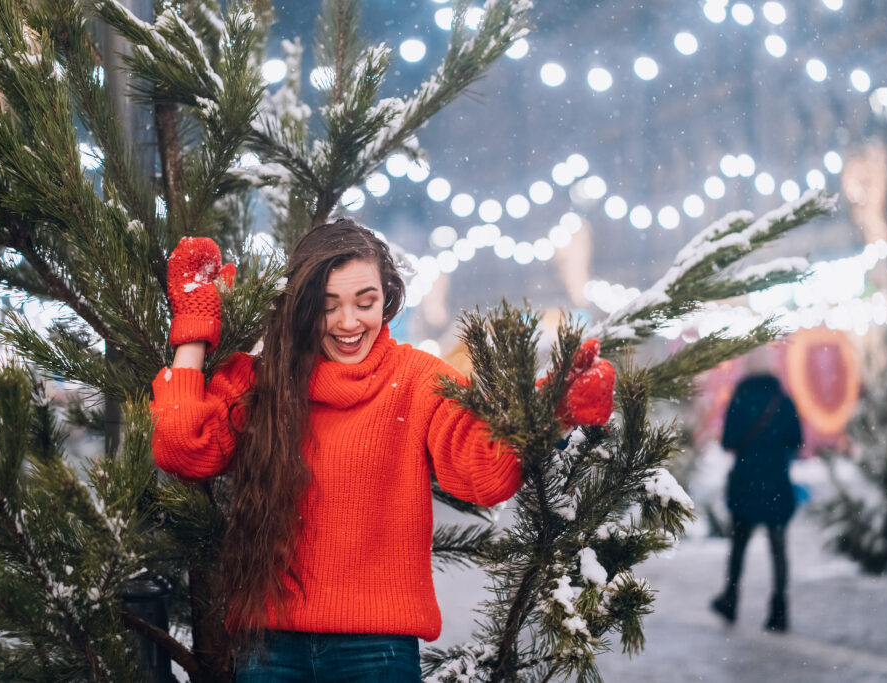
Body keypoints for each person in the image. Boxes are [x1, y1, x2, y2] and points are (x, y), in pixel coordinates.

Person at [150, 218, 614, 681]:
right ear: (302, 307)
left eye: (365, 302)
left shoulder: (419, 381)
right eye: (328, 306)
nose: (348, 323)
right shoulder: (262, 380)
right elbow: (182, 448)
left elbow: (485, 471)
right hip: (269, 644)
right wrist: (195, 326)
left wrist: (551, 409)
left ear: (387, 298)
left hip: (376, 650)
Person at [711, 373, 802, 632]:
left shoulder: (739, 399)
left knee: (739, 546)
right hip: (775, 482)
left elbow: (728, 442)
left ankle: (731, 600)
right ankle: (779, 610)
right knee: (778, 547)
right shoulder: (782, 400)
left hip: (746, 482)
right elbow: (796, 441)